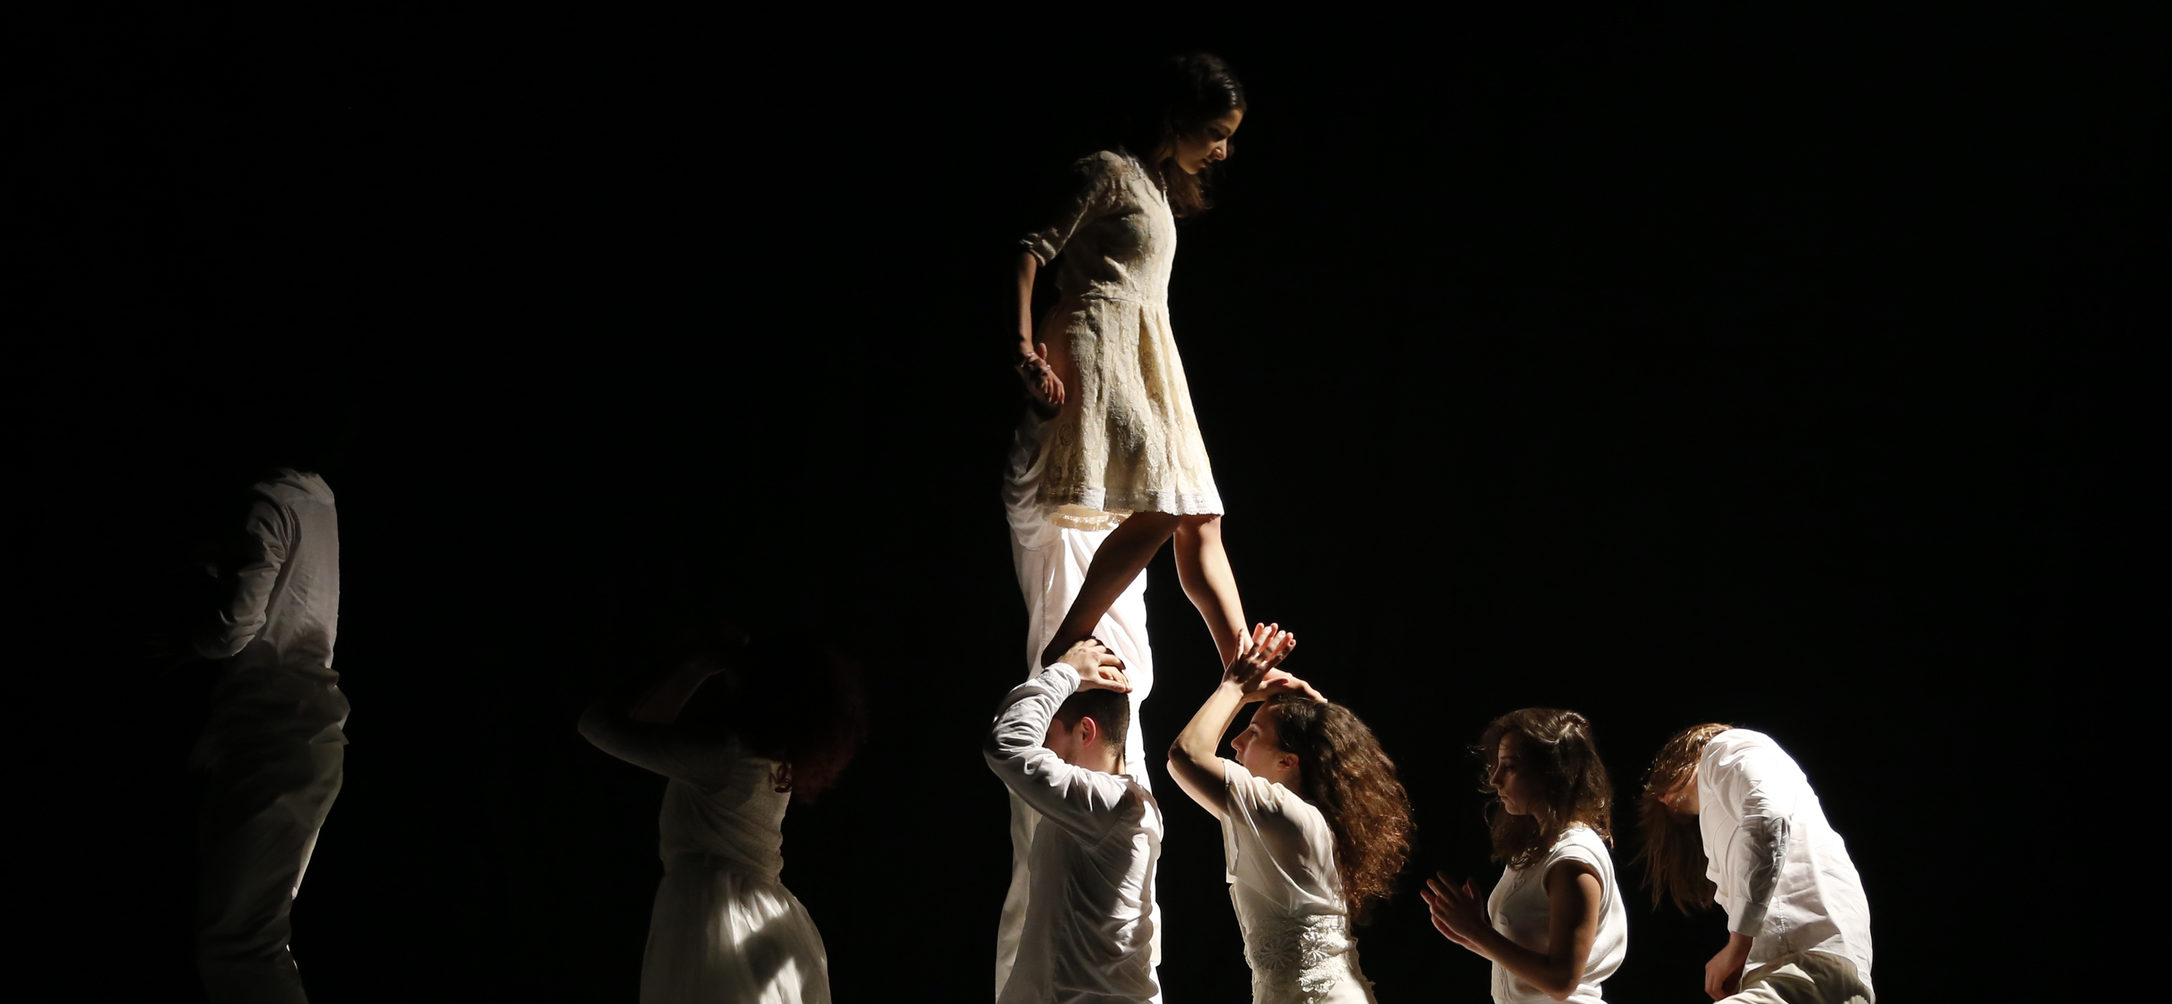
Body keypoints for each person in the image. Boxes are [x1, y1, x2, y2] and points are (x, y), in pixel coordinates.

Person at [1009, 51, 1254, 672]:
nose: (1222, 151)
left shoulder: (1157, 188)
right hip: (1100, 343)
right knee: (1162, 505)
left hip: (1151, 358)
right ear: (1176, 117)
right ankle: (1066, 644)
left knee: (1201, 513)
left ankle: (1245, 666)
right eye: (1215, 133)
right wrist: (1024, 347)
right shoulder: (1109, 171)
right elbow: (1031, 251)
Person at [579, 626, 866, 1004]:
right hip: (761, 908)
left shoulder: (725, 757)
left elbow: (596, 725)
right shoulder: (773, 760)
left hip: (720, 913)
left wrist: (690, 663)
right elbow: (651, 729)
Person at [1166, 624, 1413, 1003]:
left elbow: (1187, 755)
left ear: (1287, 760)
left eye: (1253, 732)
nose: (1236, 742)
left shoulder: (1285, 814)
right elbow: (1185, 763)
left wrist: (1235, 687)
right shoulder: (1292, 818)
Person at [189, 465, 347, 1004]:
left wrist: (186, 641)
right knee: (247, 940)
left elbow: (235, 626)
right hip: (305, 737)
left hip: (274, 736)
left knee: (239, 945)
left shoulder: (271, 502)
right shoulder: (319, 504)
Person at [1636, 725, 1874, 1003]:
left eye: (1666, 780)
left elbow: (1767, 817)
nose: (1663, 798)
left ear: (1690, 753)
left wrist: (1738, 945)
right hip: (1811, 967)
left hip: (1801, 963)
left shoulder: (1723, 747)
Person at [985, 638, 1164, 1004]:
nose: (1042, 748)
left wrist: (1065, 673)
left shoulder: (1109, 802)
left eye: (1048, 735)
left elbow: (1007, 744)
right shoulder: (1109, 804)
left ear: (1085, 732)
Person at [1422, 709, 1628, 1004]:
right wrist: (1470, 935)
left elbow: (1561, 981)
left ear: (1552, 773)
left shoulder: (1572, 862)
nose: (1495, 779)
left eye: (1510, 767)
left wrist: (1478, 932)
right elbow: (1531, 963)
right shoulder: (1539, 848)